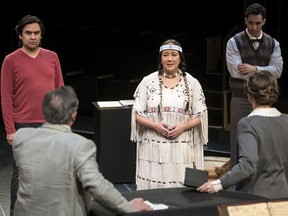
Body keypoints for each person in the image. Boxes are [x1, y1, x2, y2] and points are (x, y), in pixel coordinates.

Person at [12, 85, 152, 216]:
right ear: (74, 115)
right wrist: (127, 206)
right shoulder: (80, 146)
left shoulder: (21, 138)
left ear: (44, 111)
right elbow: (97, 185)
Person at [0, 15, 65, 215]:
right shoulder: (10, 60)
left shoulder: (52, 56)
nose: (33, 37)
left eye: (36, 33)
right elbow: (6, 97)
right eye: (28, 33)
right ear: (20, 35)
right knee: (21, 174)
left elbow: (59, 90)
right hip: (23, 126)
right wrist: (10, 130)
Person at [130, 39, 208, 190]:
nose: (170, 59)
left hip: (182, 149)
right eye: (165, 55)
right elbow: (137, 113)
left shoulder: (192, 83)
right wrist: (155, 126)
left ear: (180, 58)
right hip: (153, 147)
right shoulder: (148, 81)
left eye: (173, 54)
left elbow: (201, 115)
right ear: (161, 58)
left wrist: (183, 126)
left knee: (179, 191)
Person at [197, 71, 288, 199]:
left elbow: (248, 165)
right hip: (283, 197)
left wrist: (217, 184)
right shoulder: (286, 120)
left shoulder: (248, 124)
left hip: (257, 197)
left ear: (249, 95)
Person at [226, 3, 283, 169]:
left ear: (264, 21)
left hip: (265, 98)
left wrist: (254, 69)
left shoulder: (273, 43)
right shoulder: (234, 42)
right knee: (238, 137)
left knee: (264, 137)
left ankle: (262, 178)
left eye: (258, 23)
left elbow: (278, 71)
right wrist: (265, 72)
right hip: (240, 97)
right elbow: (235, 71)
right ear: (245, 21)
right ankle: (235, 180)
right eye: (250, 22)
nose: (254, 26)